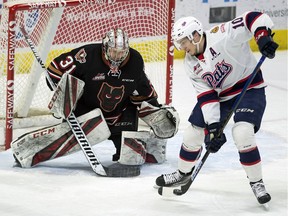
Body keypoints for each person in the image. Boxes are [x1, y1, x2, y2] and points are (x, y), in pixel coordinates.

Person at [12, 28, 179, 171]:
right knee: (71, 83)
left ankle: (148, 147)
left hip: (121, 117)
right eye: (113, 51)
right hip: (88, 116)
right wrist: (64, 95)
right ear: (105, 47)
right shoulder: (87, 55)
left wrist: (157, 111)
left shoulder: (134, 61)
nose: (117, 56)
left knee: (134, 160)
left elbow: (143, 91)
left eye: (121, 52)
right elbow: (55, 70)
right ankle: (26, 151)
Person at [155, 11, 278, 205]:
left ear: (195, 35)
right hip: (221, 97)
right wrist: (213, 128)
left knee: (242, 132)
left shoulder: (222, 34)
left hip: (250, 89)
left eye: (183, 42)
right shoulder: (190, 63)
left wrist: (262, 36)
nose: (182, 48)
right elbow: (207, 95)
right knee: (193, 134)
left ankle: (256, 182)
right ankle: (182, 173)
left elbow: (251, 18)